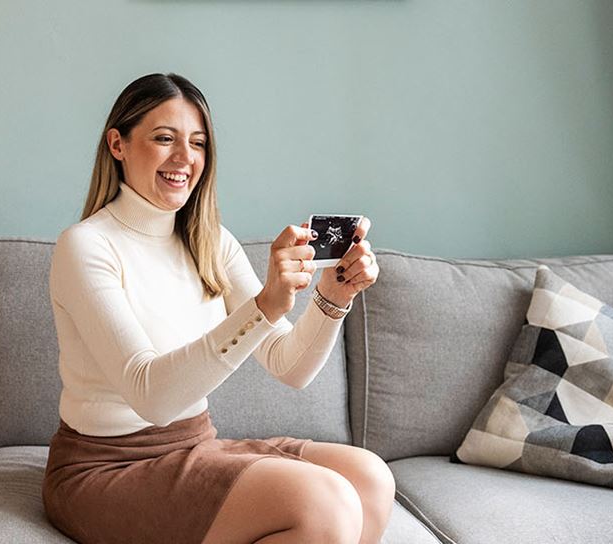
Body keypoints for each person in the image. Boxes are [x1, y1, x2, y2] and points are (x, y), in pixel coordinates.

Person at [42, 73, 394, 544]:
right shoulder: (86, 246)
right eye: (164, 138)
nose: (185, 158)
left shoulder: (212, 243)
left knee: (369, 478)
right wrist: (264, 307)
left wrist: (334, 297)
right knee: (324, 502)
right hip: (105, 467)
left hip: (193, 445)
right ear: (118, 144)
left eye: (198, 143)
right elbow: (152, 396)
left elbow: (289, 366)